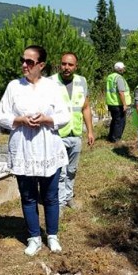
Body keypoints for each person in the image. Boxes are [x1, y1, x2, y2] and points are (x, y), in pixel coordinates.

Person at [0, 45, 70, 256]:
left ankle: (52, 236)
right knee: (28, 196)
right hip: (24, 149)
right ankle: (34, 237)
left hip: (48, 148)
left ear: (41, 65)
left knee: (50, 196)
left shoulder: (52, 87)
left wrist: (47, 119)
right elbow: (0, 115)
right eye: (23, 60)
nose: (24, 65)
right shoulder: (14, 86)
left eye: (30, 62)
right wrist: (19, 120)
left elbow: (65, 116)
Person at [48, 52, 95, 210]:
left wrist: (90, 131)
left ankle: (69, 197)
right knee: (59, 172)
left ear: (76, 66)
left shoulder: (82, 81)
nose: (66, 67)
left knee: (72, 170)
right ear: (60, 64)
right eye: (64, 64)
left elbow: (86, 107)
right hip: (57, 135)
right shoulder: (51, 82)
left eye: (70, 65)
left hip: (75, 133)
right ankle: (59, 203)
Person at [106, 62, 130, 143]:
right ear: (120, 69)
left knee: (115, 120)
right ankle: (116, 139)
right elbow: (121, 92)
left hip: (111, 103)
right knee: (120, 122)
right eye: (123, 68)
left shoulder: (110, 77)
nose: (124, 69)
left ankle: (111, 137)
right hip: (118, 103)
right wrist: (124, 104)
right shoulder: (119, 78)